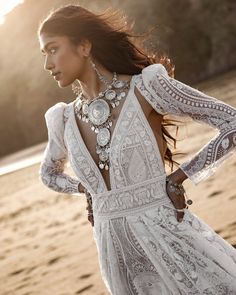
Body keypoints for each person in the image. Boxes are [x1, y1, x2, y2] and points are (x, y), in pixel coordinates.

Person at [38, 4, 236, 295]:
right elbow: (49, 174)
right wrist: (86, 190)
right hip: (116, 257)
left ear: (83, 46)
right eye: (44, 54)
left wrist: (180, 176)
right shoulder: (63, 119)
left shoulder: (147, 87)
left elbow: (231, 122)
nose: (47, 64)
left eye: (53, 49)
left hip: (171, 242)